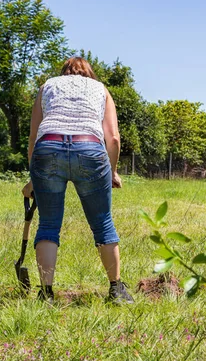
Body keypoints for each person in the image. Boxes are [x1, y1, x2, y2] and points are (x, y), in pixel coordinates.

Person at [21, 57, 133, 304]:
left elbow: (33, 136)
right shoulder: (100, 89)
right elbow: (113, 138)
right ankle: (116, 290)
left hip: (47, 148)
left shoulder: (47, 86)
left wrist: (33, 179)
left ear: (64, 73)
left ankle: (46, 294)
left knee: (48, 225)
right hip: (89, 148)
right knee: (103, 222)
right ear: (89, 73)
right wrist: (111, 172)